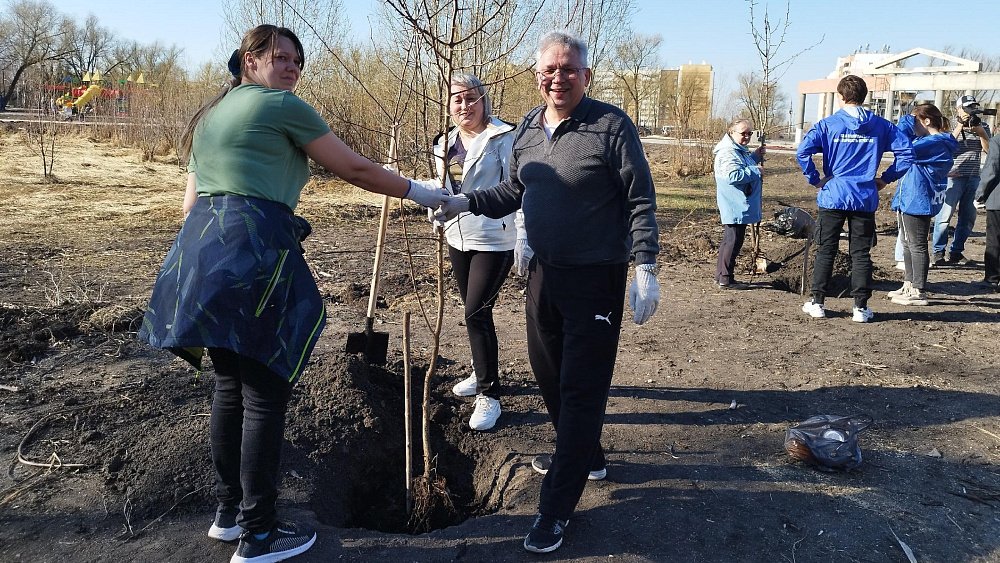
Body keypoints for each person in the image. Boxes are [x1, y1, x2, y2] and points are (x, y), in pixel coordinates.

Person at [137, 25, 447, 563]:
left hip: (198, 257)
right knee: (263, 393)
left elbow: (189, 207)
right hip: (250, 255)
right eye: (278, 57)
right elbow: (351, 166)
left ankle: (228, 514)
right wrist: (425, 194)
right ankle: (259, 536)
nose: (290, 68)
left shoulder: (212, 117)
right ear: (249, 62)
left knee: (229, 387)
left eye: (297, 61)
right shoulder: (280, 106)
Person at [436, 30, 661, 553]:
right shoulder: (531, 127)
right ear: (537, 75)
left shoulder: (611, 126)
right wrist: (464, 203)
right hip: (542, 274)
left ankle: (555, 507)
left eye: (568, 69)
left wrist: (645, 264)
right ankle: (587, 455)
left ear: (586, 75)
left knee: (582, 389)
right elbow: (515, 189)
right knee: (550, 374)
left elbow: (640, 199)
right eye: (548, 70)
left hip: (595, 278)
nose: (557, 78)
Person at [432, 73, 518, 431]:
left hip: (494, 238)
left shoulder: (504, 137)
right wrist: (433, 212)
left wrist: (525, 237)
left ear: (484, 100)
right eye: (457, 100)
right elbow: (439, 185)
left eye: (471, 98)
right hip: (457, 236)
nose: (464, 106)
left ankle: (490, 395)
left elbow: (517, 188)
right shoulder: (442, 142)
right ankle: (480, 369)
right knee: (472, 311)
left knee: (475, 313)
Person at [797, 74, 912, 323]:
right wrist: (886, 178)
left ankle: (817, 302)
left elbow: (803, 151)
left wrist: (814, 178)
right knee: (861, 254)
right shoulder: (881, 125)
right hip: (864, 197)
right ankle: (860, 307)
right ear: (864, 97)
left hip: (833, 196)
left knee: (826, 249)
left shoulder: (828, 124)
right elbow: (907, 153)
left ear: (840, 97)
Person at [884, 104, 957, 306]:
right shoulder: (927, 141)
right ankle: (909, 283)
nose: (912, 125)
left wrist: (905, 125)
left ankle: (919, 290)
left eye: (915, 120)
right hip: (910, 196)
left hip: (918, 198)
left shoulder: (936, 143)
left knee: (916, 245)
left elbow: (904, 148)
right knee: (908, 243)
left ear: (926, 121)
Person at [932, 95, 990, 266]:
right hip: (952, 177)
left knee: (968, 218)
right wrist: (959, 125)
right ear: (958, 109)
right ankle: (938, 252)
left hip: (973, 176)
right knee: (944, 216)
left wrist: (981, 133)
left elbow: (989, 150)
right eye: (967, 108)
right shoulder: (947, 126)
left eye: (973, 107)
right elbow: (945, 149)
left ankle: (956, 252)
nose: (971, 111)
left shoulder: (982, 124)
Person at [713, 117, 764, 289]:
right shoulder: (728, 152)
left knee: (730, 240)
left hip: (738, 203)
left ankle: (721, 275)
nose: (747, 136)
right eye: (743, 133)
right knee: (733, 241)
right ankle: (726, 279)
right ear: (731, 132)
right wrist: (755, 170)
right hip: (735, 204)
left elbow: (740, 166)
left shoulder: (737, 150)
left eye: (750, 133)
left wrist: (754, 158)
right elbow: (732, 176)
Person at [975, 129, 1000, 293]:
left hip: (998, 200)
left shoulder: (998, 140)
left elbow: (992, 167)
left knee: (995, 240)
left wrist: (980, 194)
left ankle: (992, 279)